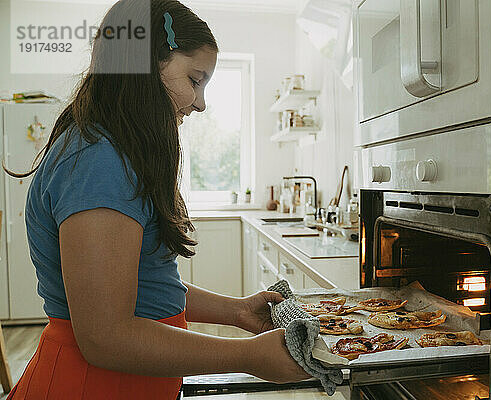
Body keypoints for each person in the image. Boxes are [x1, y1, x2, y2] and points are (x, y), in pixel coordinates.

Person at [5, 1, 309, 398]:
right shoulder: (98, 160)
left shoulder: (112, 151)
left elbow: (148, 286)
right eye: (195, 80)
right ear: (146, 67)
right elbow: (107, 338)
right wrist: (248, 356)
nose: (200, 103)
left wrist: (235, 312)